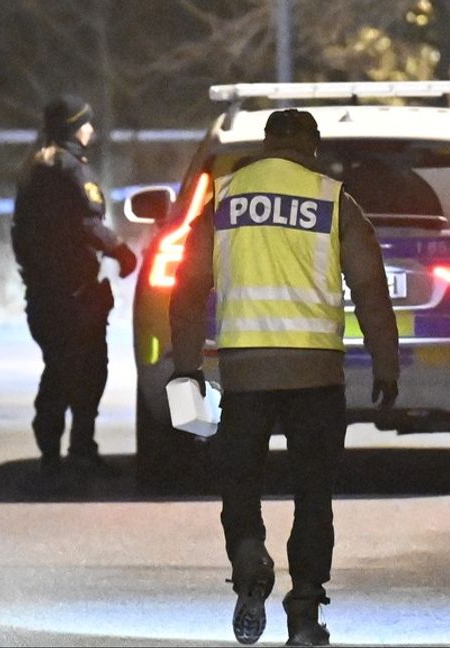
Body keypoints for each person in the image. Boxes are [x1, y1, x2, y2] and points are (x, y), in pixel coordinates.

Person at [169, 109, 400, 646]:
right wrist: (385, 363)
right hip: (315, 375)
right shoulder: (333, 199)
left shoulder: (224, 199)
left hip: (245, 376)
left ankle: (250, 560)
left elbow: (185, 290)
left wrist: (186, 370)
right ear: (312, 147)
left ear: (268, 144)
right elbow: (370, 287)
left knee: (240, 482)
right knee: (313, 493)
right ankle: (304, 610)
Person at [11, 94, 138, 479]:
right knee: (87, 369)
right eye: (86, 123)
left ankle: (52, 449)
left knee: (60, 367)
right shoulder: (68, 169)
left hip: (44, 291)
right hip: (75, 292)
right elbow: (87, 222)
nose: (92, 130)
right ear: (73, 127)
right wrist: (121, 251)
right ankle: (79, 448)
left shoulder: (34, 168)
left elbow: (23, 233)